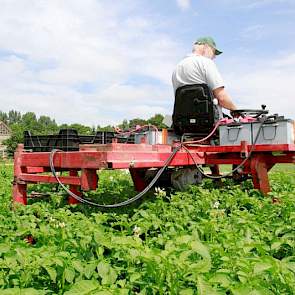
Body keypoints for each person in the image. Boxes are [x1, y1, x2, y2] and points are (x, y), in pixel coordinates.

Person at [172, 36, 237, 114]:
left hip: (182, 122)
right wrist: (235, 110)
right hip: (207, 122)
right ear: (206, 47)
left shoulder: (177, 67)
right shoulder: (206, 62)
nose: (214, 57)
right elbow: (222, 98)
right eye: (214, 52)